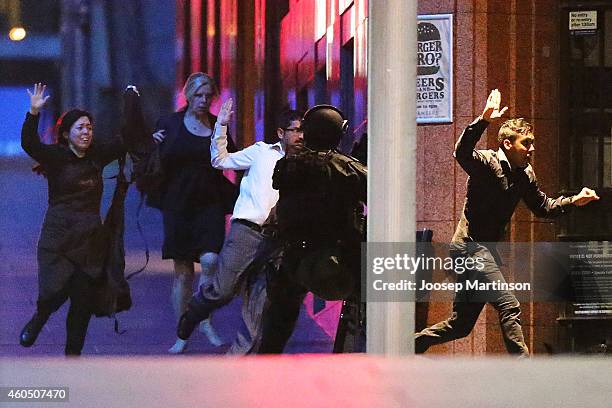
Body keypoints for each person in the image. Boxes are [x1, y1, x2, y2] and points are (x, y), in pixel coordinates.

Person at [414, 89, 600, 356]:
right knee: (509, 304)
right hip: (468, 249)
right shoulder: (487, 163)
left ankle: (406, 345)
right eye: (527, 143)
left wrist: (573, 201)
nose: (533, 149)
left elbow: (543, 206)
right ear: (507, 144)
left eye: (533, 142)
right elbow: (461, 152)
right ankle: (523, 370)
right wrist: (484, 119)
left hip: (483, 253)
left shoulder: (525, 174)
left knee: (461, 325)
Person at [176, 102, 304, 354]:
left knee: (257, 308)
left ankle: (234, 364)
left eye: (304, 132)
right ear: (281, 133)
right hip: (247, 232)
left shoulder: (305, 165)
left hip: (277, 241)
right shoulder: (262, 153)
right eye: (296, 130)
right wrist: (221, 125)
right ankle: (193, 312)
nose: (300, 136)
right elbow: (219, 160)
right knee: (222, 292)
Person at [19, 83, 126, 356]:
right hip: (58, 237)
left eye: (89, 127)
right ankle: (38, 319)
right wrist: (33, 112)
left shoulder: (97, 155)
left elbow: (125, 140)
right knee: (54, 292)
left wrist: (133, 100)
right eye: (80, 128)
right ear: (66, 134)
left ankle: (72, 361)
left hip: (90, 240)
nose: (86, 132)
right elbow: (30, 144)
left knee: (82, 302)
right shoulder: (56, 157)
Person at [258, 105, 368, 354]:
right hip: (336, 256)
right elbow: (370, 184)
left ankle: (264, 365)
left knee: (278, 324)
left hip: (293, 255)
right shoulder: (345, 168)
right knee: (361, 305)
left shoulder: (289, 164)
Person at [151, 72, 237, 354]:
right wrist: (153, 144)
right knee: (183, 272)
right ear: (187, 95)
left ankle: (206, 320)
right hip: (178, 204)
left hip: (209, 201)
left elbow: (233, 159)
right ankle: (182, 332)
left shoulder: (216, 126)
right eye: (198, 95)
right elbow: (151, 159)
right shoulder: (170, 124)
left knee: (211, 261)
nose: (202, 101)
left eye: (207, 96)